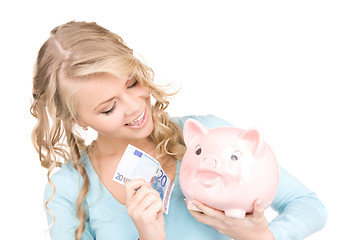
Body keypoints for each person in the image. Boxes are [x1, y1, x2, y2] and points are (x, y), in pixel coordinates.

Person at [30, 21, 327, 240]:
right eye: (109, 108)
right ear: (76, 119)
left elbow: (308, 206)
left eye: (132, 83)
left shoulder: (206, 136)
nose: (135, 107)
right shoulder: (66, 191)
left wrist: (261, 237)